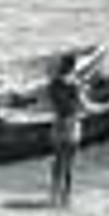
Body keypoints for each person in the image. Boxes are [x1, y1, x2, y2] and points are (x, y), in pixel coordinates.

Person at [47, 53, 89, 206]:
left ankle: (53, 194)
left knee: (57, 160)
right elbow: (83, 104)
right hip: (71, 124)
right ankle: (66, 197)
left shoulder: (53, 83)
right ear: (73, 66)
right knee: (69, 163)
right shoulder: (75, 84)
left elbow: (50, 101)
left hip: (58, 122)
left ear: (61, 65)